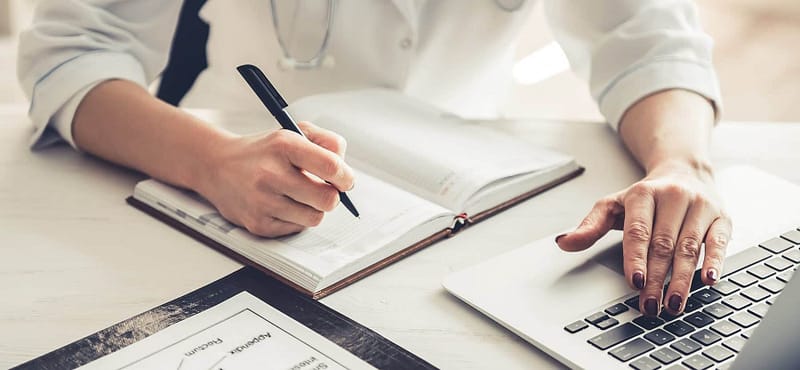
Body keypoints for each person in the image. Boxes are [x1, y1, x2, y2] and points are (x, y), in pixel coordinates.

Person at [17, 0, 729, 318]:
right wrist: (211, 162)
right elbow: (70, 53)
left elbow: (648, 37)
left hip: (474, 199)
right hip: (231, 212)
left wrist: (682, 163)